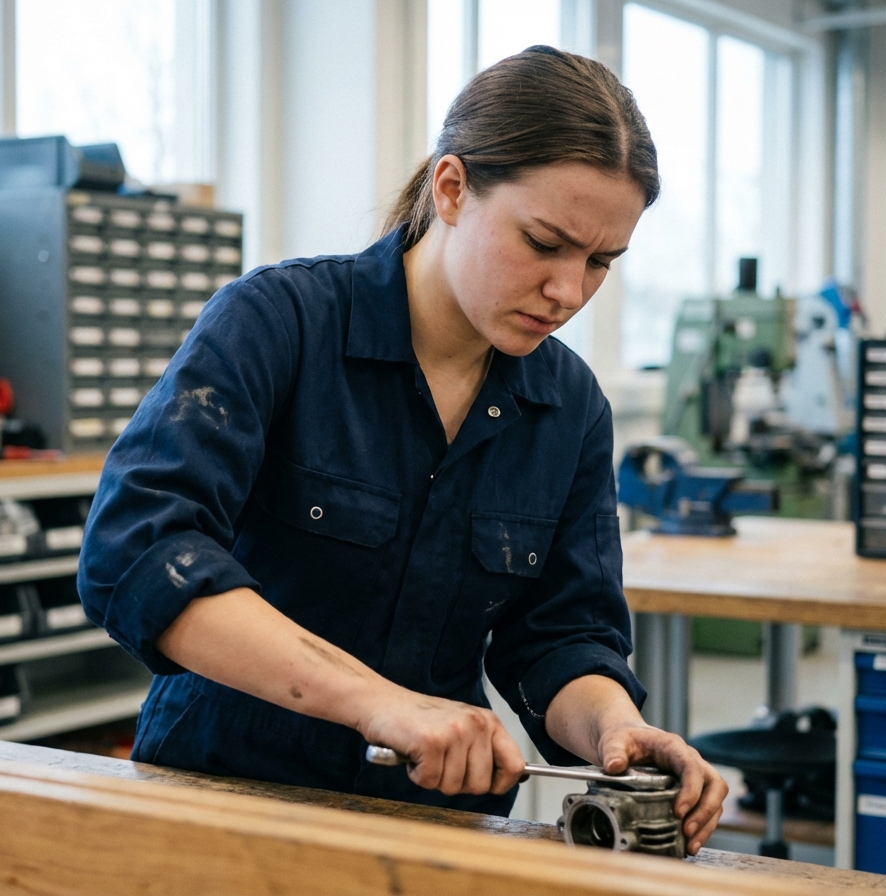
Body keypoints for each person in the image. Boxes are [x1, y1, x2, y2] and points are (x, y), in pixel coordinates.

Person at [78, 45, 727, 853]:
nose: (569, 291)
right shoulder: (280, 324)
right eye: (544, 243)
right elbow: (137, 552)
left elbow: (562, 638)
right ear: (451, 188)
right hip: (219, 804)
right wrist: (380, 703)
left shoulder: (567, 408)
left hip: (428, 832)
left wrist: (617, 733)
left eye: (600, 261)